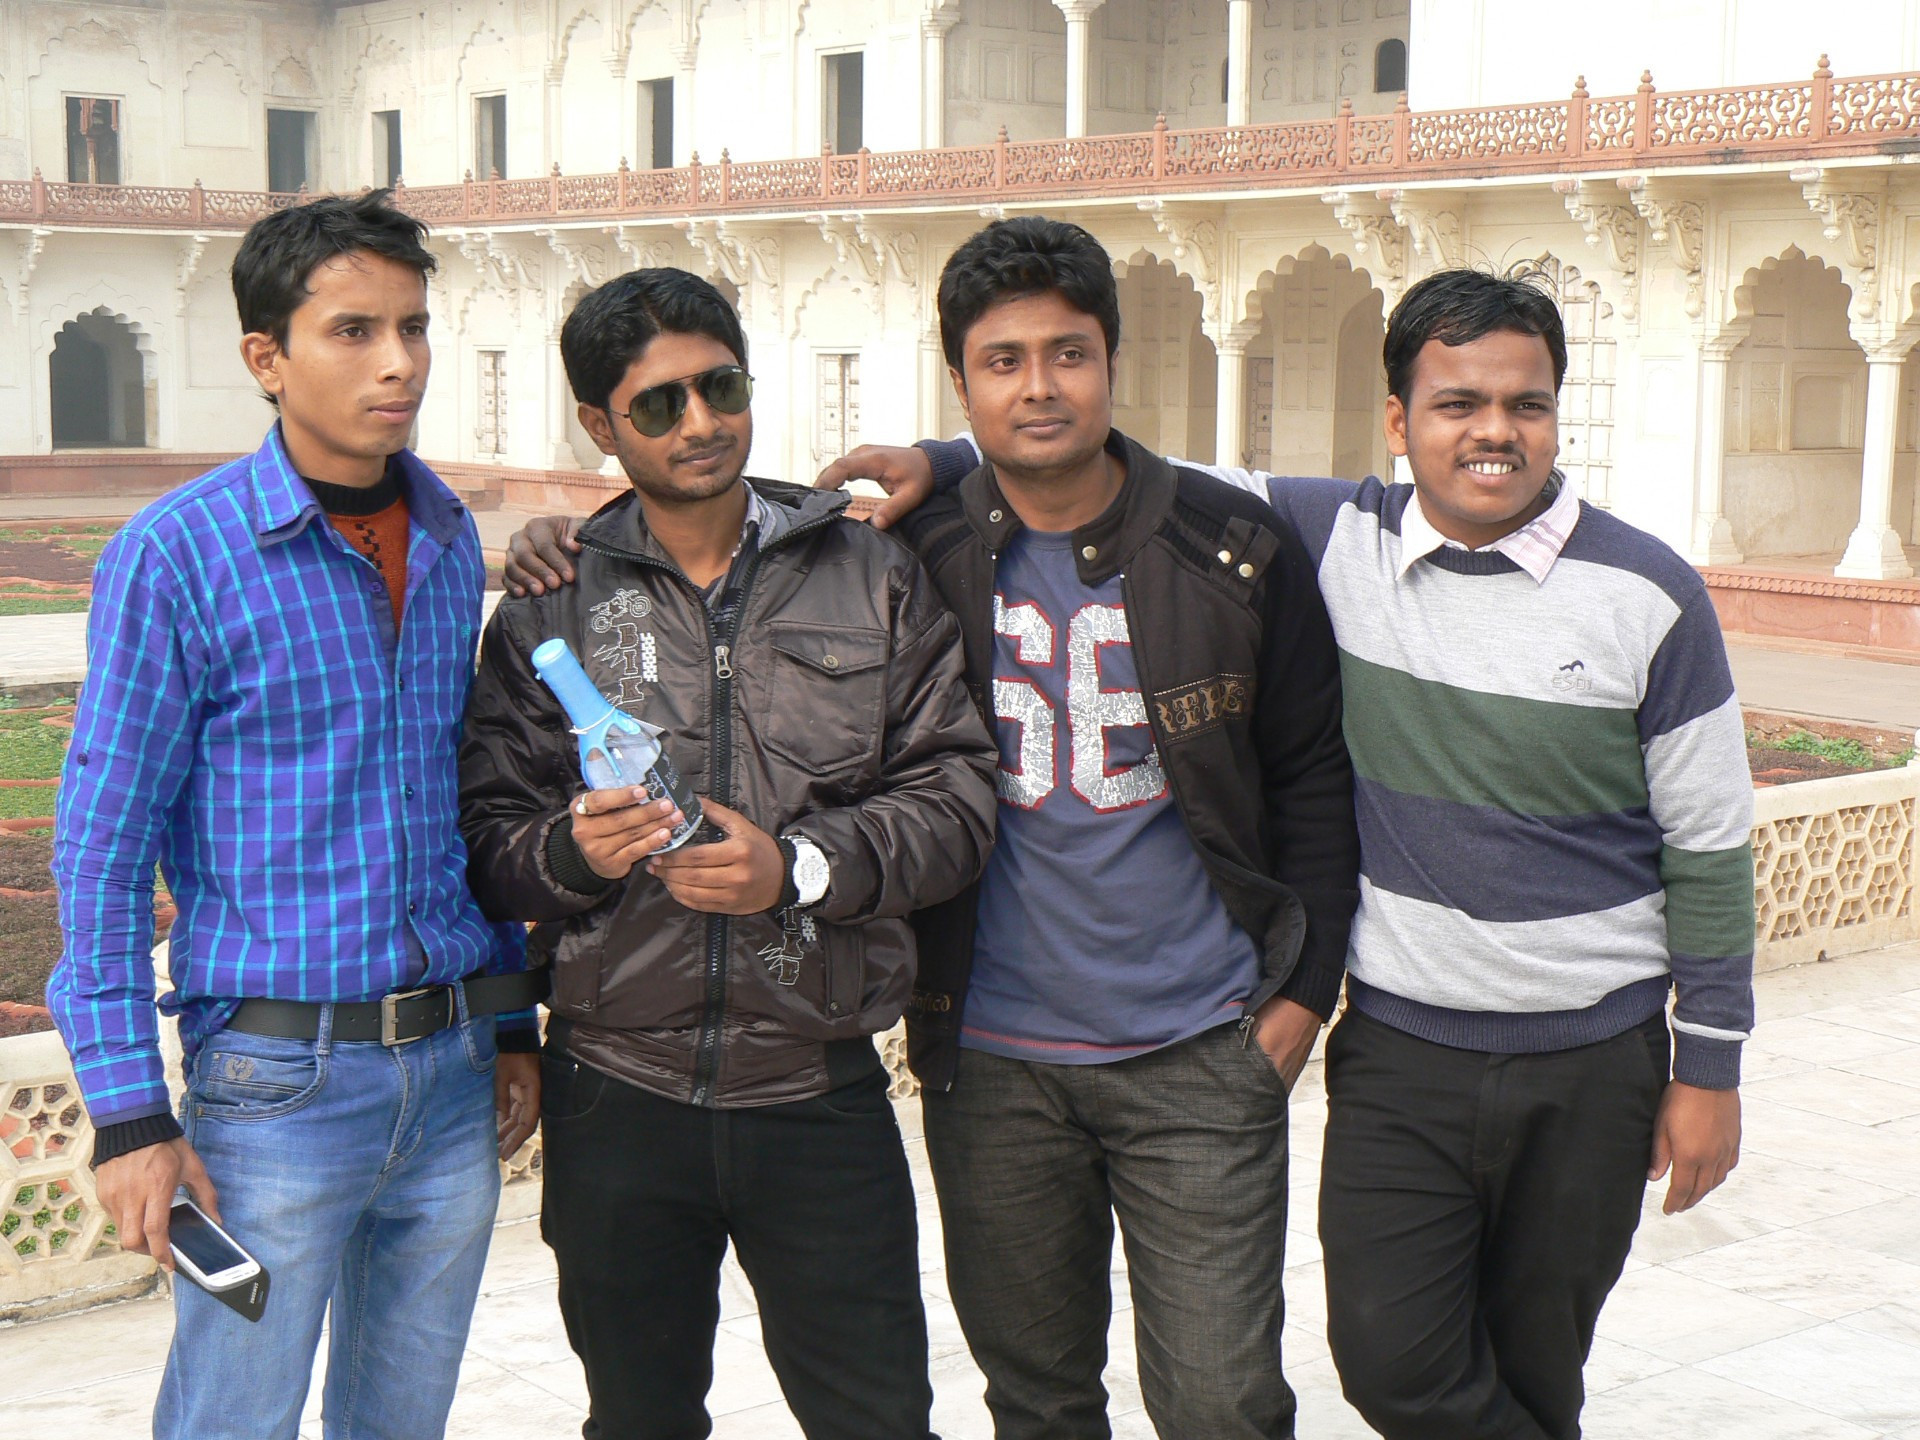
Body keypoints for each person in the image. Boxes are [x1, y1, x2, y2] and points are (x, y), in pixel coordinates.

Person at [802, 267, 1757, 1440]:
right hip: (1396, 1042)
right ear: (1399, 419)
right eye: (1457, 404)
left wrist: (1710, 1067)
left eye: (1526, 404)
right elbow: (1084, 455)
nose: (1494, 432)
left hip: (1587, 1050)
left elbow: (1710, 844)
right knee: (1386, 1363)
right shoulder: (1340, 533)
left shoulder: (1650, 592)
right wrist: (941, 457)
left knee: (1513, 1368)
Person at [507, 220, 1361, 1440]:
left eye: (1067, 355)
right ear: (961, 382)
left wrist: (1299, 996)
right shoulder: (902, 545)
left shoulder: (1201, 549)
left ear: (1113, 360)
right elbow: (496, 824)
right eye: (1002, 362)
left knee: (1217, 1403)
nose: (1039, 386)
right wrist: (565, 834)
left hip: (1159, 1045)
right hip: (945, 1059)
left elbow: (1302, 778)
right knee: (1027, 1399)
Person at [458, 266, 996, 1440]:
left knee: (878, 1421)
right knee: (639, 1419)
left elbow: (957, 798)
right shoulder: (555, 605)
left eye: (722, 387)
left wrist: (797, 867)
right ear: (600, 425)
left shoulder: (867, 571)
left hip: (819, 1084)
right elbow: (487, 845)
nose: (700, 422)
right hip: (617, 1094)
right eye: (659, 404)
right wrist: (576, 854)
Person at [48, 191, 543, 1440]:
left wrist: (510, 1018)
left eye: (413, 327)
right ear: (266, 357)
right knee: (236, 1421)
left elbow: (466, 807)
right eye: (354, 331)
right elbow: (103, 852)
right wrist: (129, 1116)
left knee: (403, 1422)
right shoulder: (181, 555)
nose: (399, 363)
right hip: (277, 1088)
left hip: (449, 1081)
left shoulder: (444, 537)